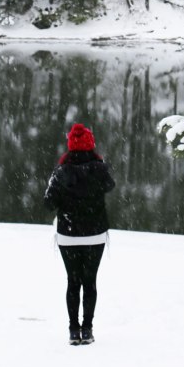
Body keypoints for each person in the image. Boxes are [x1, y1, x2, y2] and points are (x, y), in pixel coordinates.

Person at [44, 123, 115, 345]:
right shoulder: (100, 169)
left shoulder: (60, 172)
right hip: (95, 235)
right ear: (91, 145)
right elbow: (109, 186)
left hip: (68, 235)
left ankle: (73, 330)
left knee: (73, 282)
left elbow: (48, 204)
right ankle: (88, 329)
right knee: (90, 282)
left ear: (70, 146)